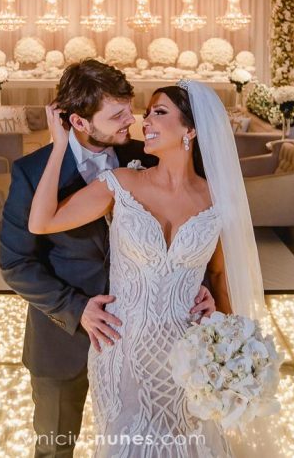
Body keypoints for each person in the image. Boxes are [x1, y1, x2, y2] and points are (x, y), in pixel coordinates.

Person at [28, 79, 271, 456]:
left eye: (159, 113)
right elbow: (41, 222)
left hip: (190, 358)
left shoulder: (219, 200)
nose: (146, 122)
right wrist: (59, 147)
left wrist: (229, 342)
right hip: (122, 352)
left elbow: (221, 276)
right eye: (147, 114)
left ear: (191, 129)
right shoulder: (122, 183)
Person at [0, 61, 216, 457]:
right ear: (79, 122)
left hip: (147, 346)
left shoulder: (148, 154)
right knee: (55, 447)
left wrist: (200, 287)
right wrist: (77, 308)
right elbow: (16, 264)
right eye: (117, 114)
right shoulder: (32, 173)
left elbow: (187, 230)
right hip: (62, 339)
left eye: (130, 109)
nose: (131, 121)